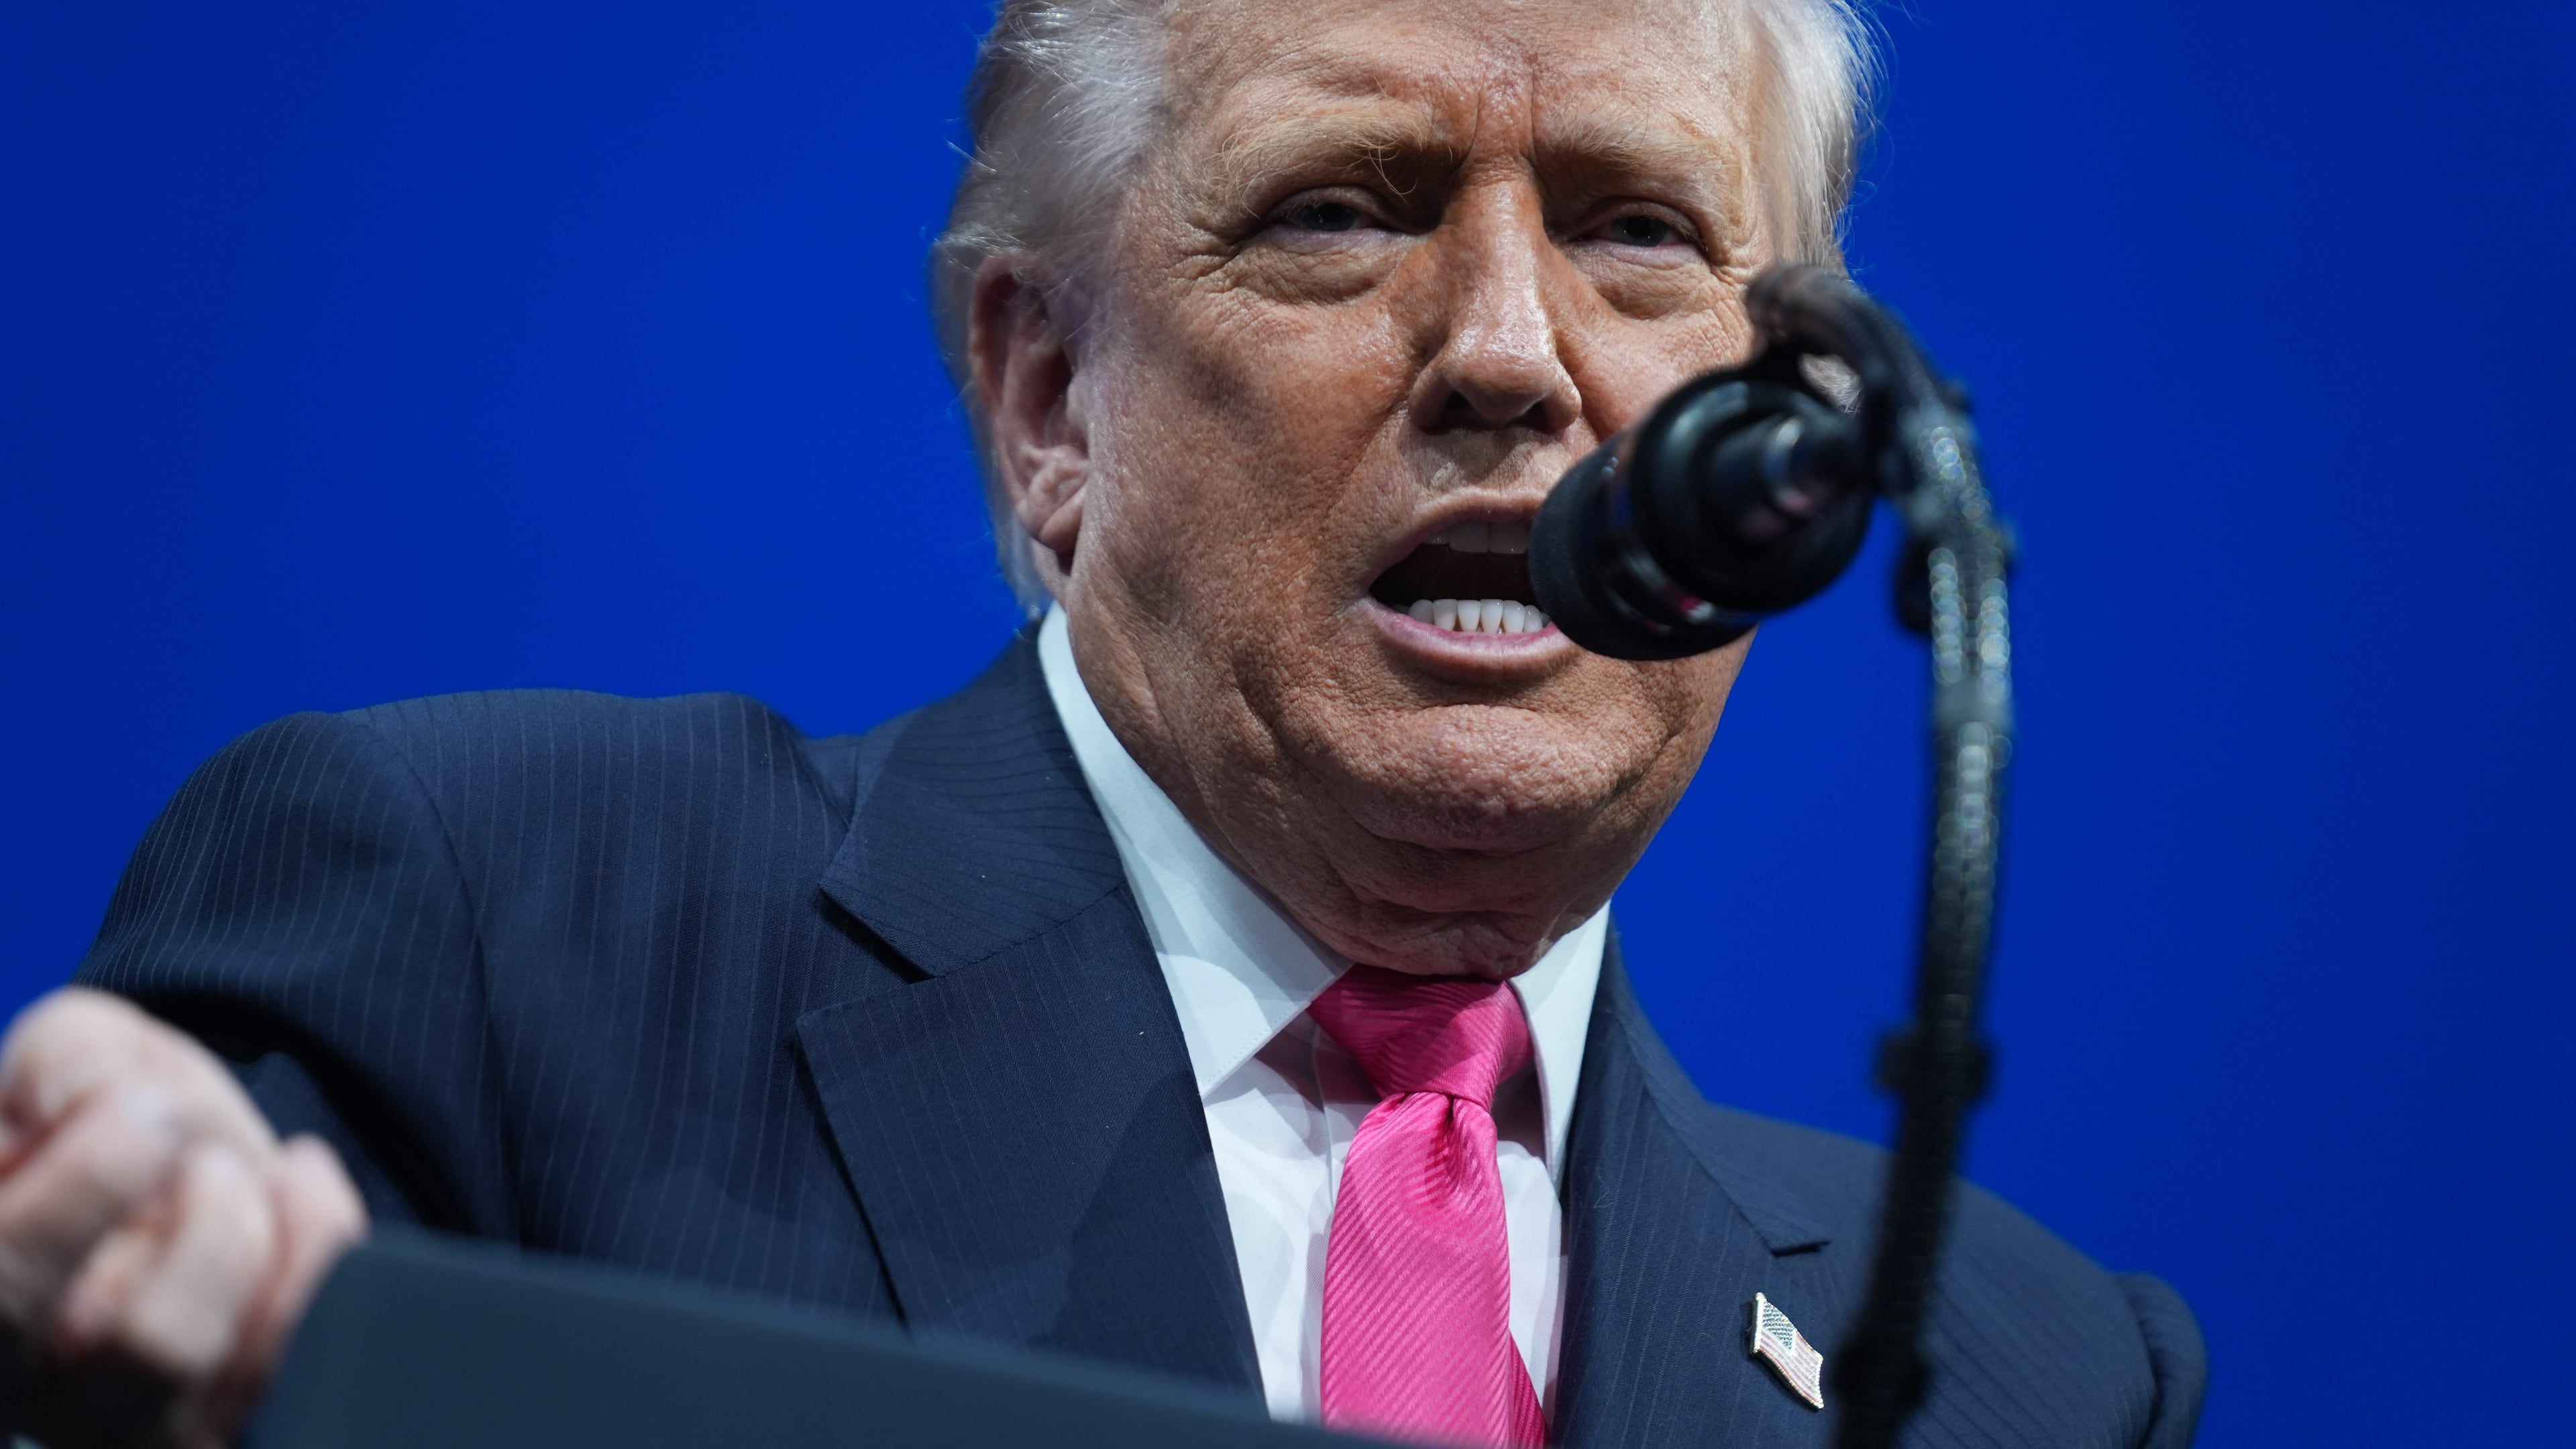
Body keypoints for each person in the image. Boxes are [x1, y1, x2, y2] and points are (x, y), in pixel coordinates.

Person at [0, 0, 2207, 1445]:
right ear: (1049, 401)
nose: (1517, 355)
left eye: (1643, 235)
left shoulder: (2027, 1373)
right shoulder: (497, 932)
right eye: (1344, 211)